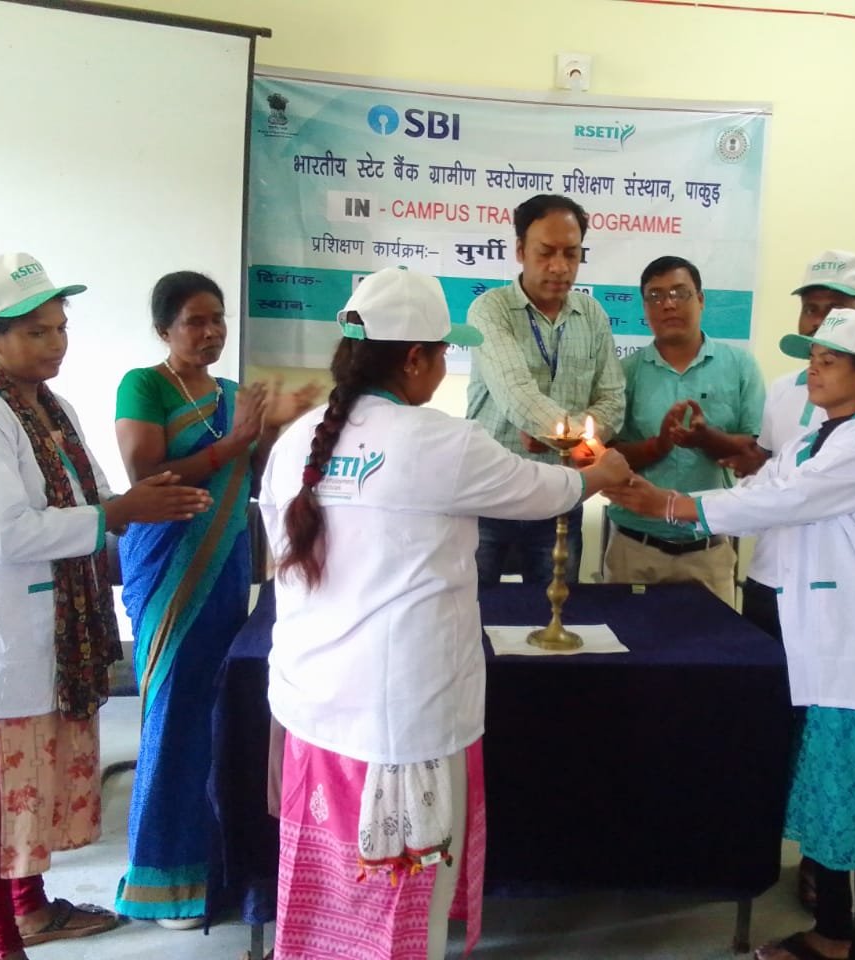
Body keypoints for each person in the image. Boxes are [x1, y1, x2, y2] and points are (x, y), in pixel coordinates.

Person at [259, 267, 631, 960]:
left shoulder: (298, 440)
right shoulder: (438, 441)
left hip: (314, 711)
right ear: (414, 358)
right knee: (407, 903)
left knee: (329, 892)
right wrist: (599, 474)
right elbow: (546, 490)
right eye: (441, 354)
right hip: (403, 728)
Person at [607, 309, 855, 960]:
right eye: (812, 358)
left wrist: (674, 505)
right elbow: (763, 494)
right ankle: (831, 934)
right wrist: (645, 488)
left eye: (829, 361)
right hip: (821, 649)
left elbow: (784, 502)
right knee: (826, 798)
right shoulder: (811, 442)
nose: (814, 370)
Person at [0, 252, 212, 960]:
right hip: (6, 638)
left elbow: (90, 500)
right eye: (36, 332)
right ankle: (1, 941)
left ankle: (33, 909)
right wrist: (119, 513)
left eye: (60, 328)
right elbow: (8, 534)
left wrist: (131, 516)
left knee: (36, 788)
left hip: (62, 625)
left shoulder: (51, 408)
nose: (55, 344)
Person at [112, 271, 318, 926]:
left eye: (217, 319)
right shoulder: (143, 386)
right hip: (168, 567)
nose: (210, 332)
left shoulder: (232, 394)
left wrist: (278, 432)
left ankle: (217, 867)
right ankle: (161, 878)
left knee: (221, 711)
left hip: (227, 561)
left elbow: (253, 480)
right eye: (195, 321)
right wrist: (236, 441)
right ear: (163, 330)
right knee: (173, 712)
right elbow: (145, 475)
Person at [724, 250, 855, 912]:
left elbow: (802, 493)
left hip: (827, 595)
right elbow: (766, 472)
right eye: (811, 310)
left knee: (823, 737)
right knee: (769, 726)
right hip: (769, 579)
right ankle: (759, 850)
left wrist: (678, 505)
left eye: (833, 312)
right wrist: (724, 454)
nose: (818, 324)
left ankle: (822, 862)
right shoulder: (787, 389)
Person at [466, 193, 626, 585]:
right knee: (475, 608)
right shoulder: (490, 310)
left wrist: (555, 436)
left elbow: (613, 401)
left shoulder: (592, 315)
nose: (560, 266)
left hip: (561, 497)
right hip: (491, 495)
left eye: (571, 254)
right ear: (520, 250)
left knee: (557, 610)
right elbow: (517, 395)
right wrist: (571, 439)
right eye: (546, 252)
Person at [605, 255, 764, 604]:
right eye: (656, 296)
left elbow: (755, 453)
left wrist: (708, 440)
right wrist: (659, 445)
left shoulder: (740, 366)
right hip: (636, 550)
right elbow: (606, 455)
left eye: (680, 293)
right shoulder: (623, 373)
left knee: (714, 642)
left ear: (701, 299)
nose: (669, 304)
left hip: (708, 552)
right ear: (644, 307)